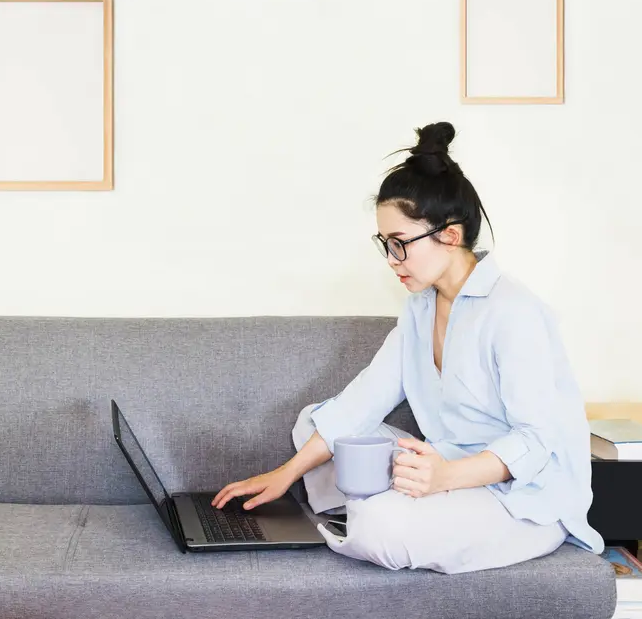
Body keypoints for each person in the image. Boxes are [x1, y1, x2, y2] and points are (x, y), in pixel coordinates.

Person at [211, 122, 603, 573]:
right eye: (385, 245)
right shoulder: (420, 309)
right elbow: (363, 399)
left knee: (381, 524)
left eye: (400, 245)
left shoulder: (514, 312)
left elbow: (536, 442)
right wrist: (285, 474)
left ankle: (380, 518)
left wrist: (445, 478)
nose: (392, 261)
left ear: (450, 235)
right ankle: (385, 513)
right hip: (446, 466)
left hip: (522, 498)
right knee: (313, 424)